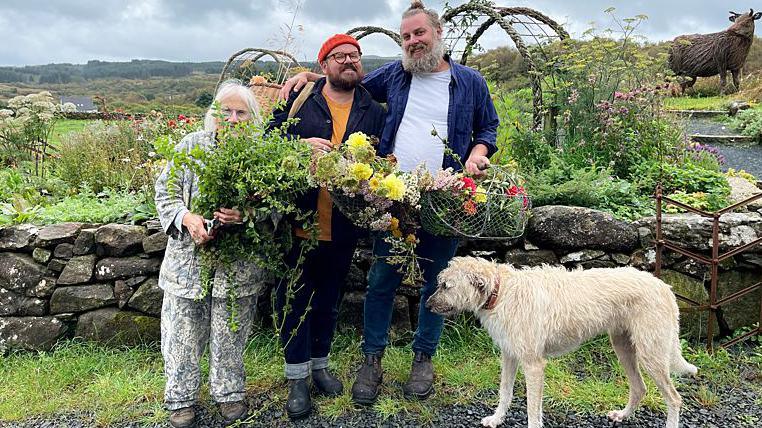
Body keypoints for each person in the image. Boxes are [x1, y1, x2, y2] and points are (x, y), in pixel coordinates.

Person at [279, 0, 499, 404]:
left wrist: (477, 152)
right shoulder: (396, 76)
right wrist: (310, 75)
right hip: (393, 201)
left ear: (437, 33)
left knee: (440, 281)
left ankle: (423, 358)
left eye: (419, 33)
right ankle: (372, 359)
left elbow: (488, 126)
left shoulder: (470, 82)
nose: (413, 42)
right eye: (406, 36)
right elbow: (348, 82)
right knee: (382, 280)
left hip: (446, 199)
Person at [269, 33, 386, 419]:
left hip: (343, 225)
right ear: (324, 65)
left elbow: (382, 159)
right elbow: (267, 143)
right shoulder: (302, 98)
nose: (349, 61)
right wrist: (298, 149)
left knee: (329, 300)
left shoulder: (373, 108)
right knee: (294, 299)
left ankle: (319, 367)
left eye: (355, 55)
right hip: (298, 220)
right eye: (340, 56)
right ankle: (296, 379)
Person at [155, 80, 270, 428]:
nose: (233, 119)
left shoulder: (261, 157)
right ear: (214, 115)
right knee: (181, 333)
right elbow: (165, 191)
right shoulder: (191, 146)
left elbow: (277, 209)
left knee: (230, 333)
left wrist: (246, 216)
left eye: (241, 112)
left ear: (252, 118)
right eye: (226, 112)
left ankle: (229, 393)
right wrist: (187, 218)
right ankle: (180, 399)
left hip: (238, 268)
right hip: (187, 264)